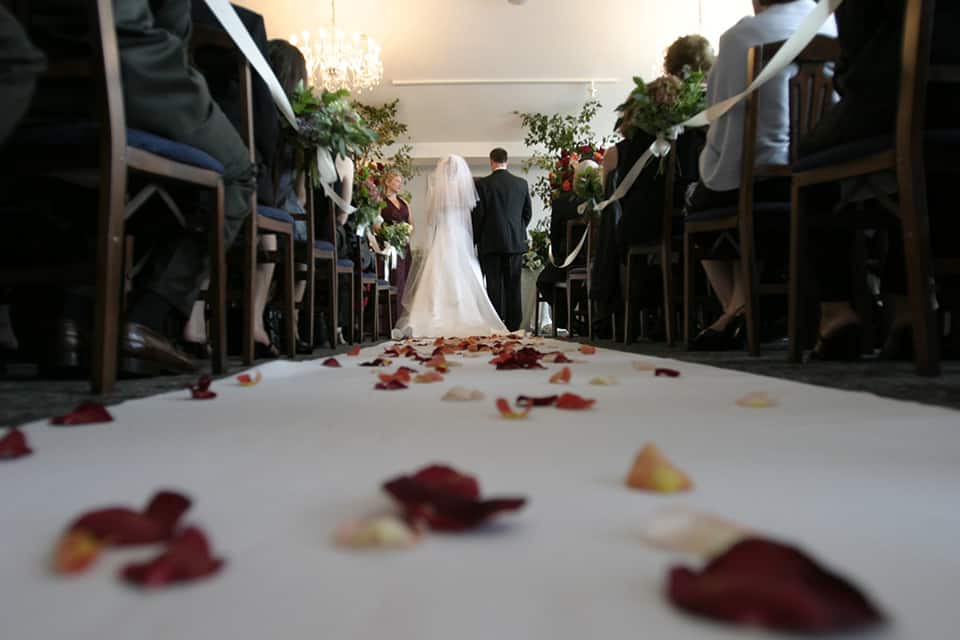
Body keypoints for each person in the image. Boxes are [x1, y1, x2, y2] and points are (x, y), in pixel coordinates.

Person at [26, 0, 256, 375]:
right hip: (133, 64)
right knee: (237, 172)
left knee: (132, 176)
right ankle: (147, 322)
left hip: (34, 73)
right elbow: (167, 22)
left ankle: (70, 319)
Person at [684, 0, 836, 350]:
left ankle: (737, 309)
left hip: (758, 176)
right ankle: (743, 309)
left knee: (700, 201)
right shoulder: (830, 26)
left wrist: (713, 161)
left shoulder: (740, 37)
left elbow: (720, 115)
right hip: (818, 170)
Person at [393, 155, 508, 338]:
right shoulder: (464, 189)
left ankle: (433, 313)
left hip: (443, 234)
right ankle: (465, 313)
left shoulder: (437, 188)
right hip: (461, 235)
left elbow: (431, 219)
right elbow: (469, 217)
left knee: (437, 271)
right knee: (465, 271)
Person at [473, 148, 533, 331]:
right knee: (513, 285)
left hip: (490, 243)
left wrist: (474, 239)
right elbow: (527, 214)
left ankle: (497, 324)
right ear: (507, 160)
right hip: (515, 243)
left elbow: (479, 215)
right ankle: (514, 326)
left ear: (491, 161)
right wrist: (517, 232)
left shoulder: (483, 184)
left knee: (493, 285)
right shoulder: (521, 183)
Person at [379, 168, 412, 299]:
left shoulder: (405, 203)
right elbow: (376, 225)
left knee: (403, 280)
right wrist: (389, 235)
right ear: (388, 182)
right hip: (387, 246)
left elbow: (410, 223)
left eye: (401, 182)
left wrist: (406, 233)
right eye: (397, 181)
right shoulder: (381, 201)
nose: (399, 184)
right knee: (392, 279)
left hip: (403, 248)